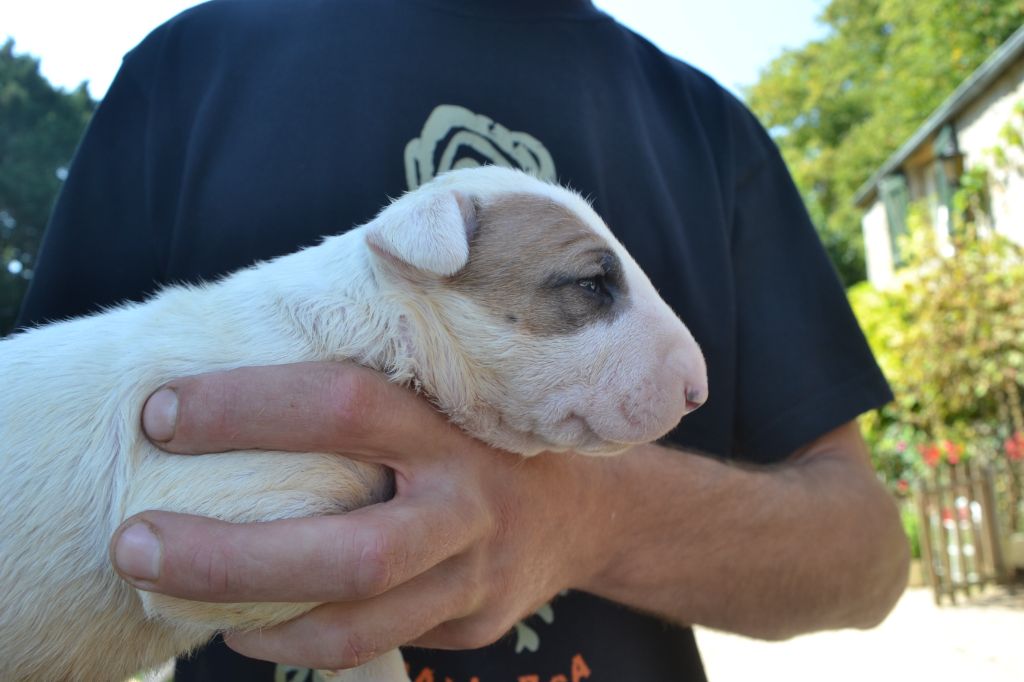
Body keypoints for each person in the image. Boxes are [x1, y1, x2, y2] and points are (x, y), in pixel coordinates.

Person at [16, 0, 909, 679]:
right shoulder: (190, 68)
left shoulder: (708, 128)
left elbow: (868, 560)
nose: (691, 384)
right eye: (590, 287)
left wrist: (581, 518)